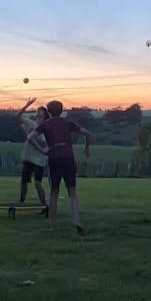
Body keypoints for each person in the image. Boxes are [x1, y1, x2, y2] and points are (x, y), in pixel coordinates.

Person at [28, 100, 92, 235]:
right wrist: (86, 149)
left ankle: (52, 226)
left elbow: (30, 138)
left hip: (54, 160)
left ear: (49, 112)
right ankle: (76, 221)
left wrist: (42, 150)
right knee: (72, 193)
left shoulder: (45, 124)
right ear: (62, 110)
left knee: (54, 193)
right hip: (68, 160)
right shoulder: (68, 123)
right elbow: (87, 133)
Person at [17, 97, 49, 211]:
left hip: (40, 160)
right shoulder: (31, 123)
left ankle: (44, 205)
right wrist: (26, 105)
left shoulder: (47, 129)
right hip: (29, 157)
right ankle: (21, 202)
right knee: (24, 181)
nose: (38, 117)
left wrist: (37, 141)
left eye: (41, 115)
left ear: (45, 117)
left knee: (37, 183)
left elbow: (46, 145)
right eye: (38, 114)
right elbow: (17, 117)